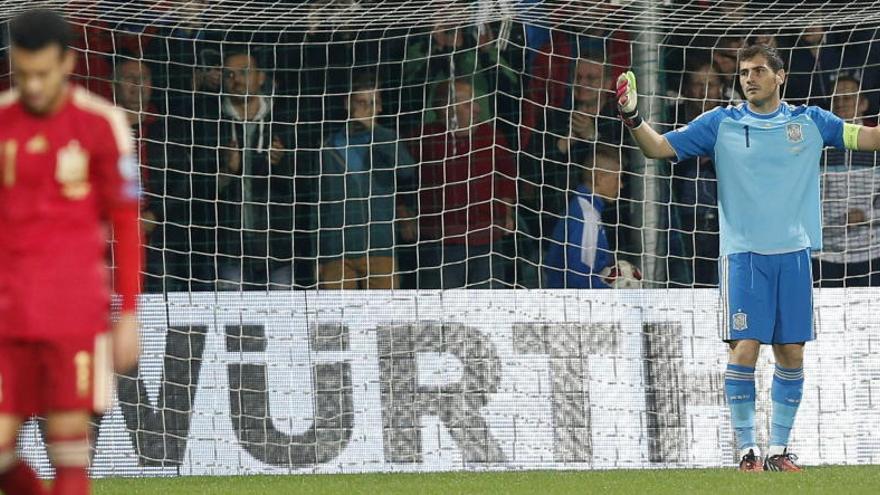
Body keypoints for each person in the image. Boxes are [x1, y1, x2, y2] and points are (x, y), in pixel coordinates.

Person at [616, 44, 880, 471]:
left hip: (793, 255)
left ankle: (778, 450)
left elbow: (868, 138)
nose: (749, 78)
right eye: (743, 73)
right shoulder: (721, 123)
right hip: (743, 256)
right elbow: (658, 148)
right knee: (745, 348)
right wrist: (632, 116)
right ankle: (746, 451)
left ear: (780, 76)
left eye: (758, 71)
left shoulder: (811, 121)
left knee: (791, 352)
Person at [0, 9, 141, 495]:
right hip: (9, 311)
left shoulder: (103, 125)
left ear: (68, 62)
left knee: (70, 452)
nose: (32, 86)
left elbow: (127, 226)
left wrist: (129, 314)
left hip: (73, 314)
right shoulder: (2, 124)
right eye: (22, 74)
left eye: (42, 73)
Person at [413, 78, 517, 288]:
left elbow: (507, 175)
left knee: (489, 309)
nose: (478, 109)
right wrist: (404, 216)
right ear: (446, 109)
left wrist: (507, 212)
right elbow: (404, 181)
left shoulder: (491, 136)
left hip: (487, 239)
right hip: (441, 243)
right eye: (468, 104)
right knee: (441, 312)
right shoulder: (423, 138)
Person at [317, 73, 417, 289]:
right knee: (336, 320)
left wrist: (376, 131)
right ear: (348, 104)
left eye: (374, 103)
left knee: (384, 320)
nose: (369, 108)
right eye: (362, 102)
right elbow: (317, 204)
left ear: (380, 107)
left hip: (380, 249)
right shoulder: (328, 145)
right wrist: (317, 255)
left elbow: (407, 170)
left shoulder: (388, 138)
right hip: (337, 252)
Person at [813, 73, 880, 286]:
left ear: (863, 103)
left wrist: (867, 214)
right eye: (836, 99)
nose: (840, 103)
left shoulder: (876, 142)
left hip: (870, 252)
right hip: (824, 255)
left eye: (847, 98)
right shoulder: (814, 144)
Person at [544, 144, 622, 288]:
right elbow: (580, 279)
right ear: (599, 178)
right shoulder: (587, 215)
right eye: (617, 178)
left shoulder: (583, 207)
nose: (621, 185)